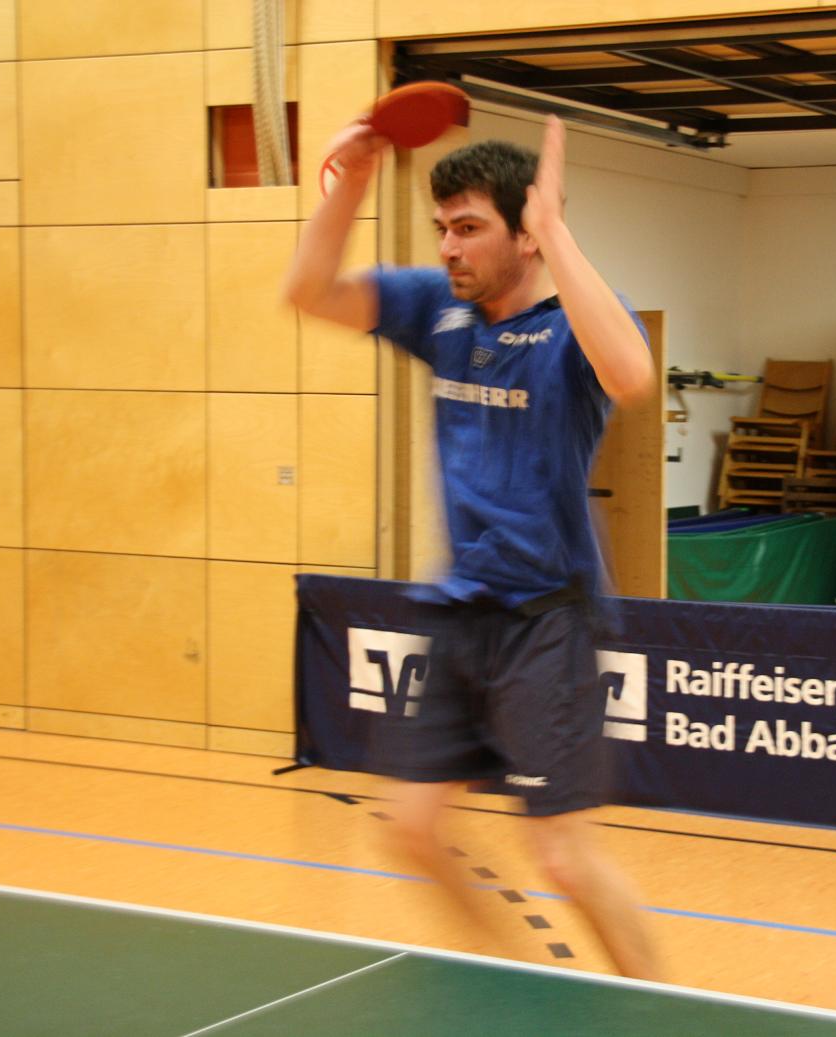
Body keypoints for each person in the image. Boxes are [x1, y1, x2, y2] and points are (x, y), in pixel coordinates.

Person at [281, 112, 660, 981]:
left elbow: (634, 376)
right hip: (460, 610)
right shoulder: (439, 311)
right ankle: (512, 987)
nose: (449, 247)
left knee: (562, 856)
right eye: (442, 228)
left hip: (547, 617)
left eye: (469, 227)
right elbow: (308, 289)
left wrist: (555, 228)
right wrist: (351, 186)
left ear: (524, 235)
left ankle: (661, 1007)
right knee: (411, 830)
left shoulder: (570, 331)